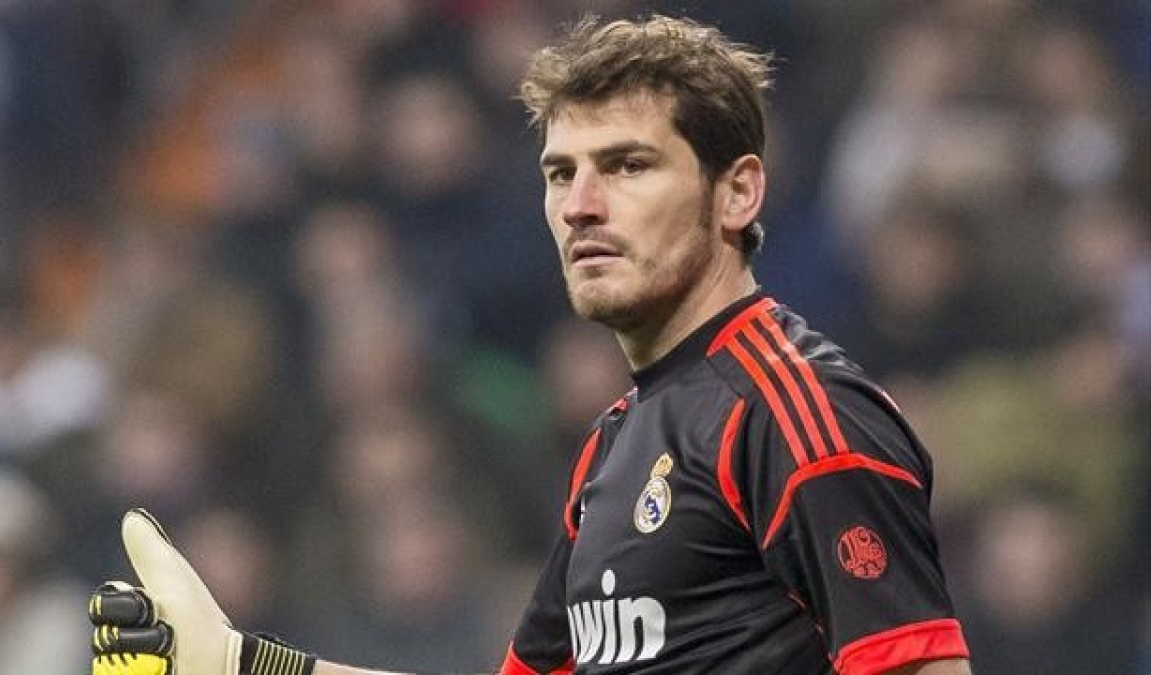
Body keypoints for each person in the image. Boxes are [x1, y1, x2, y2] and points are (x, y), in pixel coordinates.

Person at [88, 15, 971, 675]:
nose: (581, 205)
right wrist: (244, 664)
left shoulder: (795, 413)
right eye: (560, 173)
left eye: (627, 165)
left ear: (737, 193)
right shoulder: (613, 448)